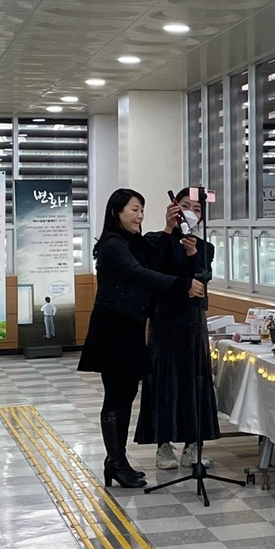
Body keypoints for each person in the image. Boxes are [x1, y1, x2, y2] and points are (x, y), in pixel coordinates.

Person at [78, 188, 204, 489]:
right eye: (134, 210)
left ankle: (116, 461)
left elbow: (156, 262)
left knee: (126, 394)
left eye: (142, 210)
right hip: (113, 327)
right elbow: (137, 273)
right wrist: (183, 284)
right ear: (116, 212)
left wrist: (170, 228)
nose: (139, 215)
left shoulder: (134, 240)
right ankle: (116, 462)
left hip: (131, 325)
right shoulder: (112, 244)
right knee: (117, 396)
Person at [136, 188, 221, 470]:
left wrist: (193, 253)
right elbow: (153, 273)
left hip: (193, 323)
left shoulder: (204, 247)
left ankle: (193, 445)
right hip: (163, 321)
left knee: (195, 382)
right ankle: (163, 446)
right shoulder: (154, 241)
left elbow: (202, 278)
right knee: (163, 381)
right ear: (173, 208)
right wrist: (167, 228)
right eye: (184, 206)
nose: (190, 212)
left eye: (196, 209)